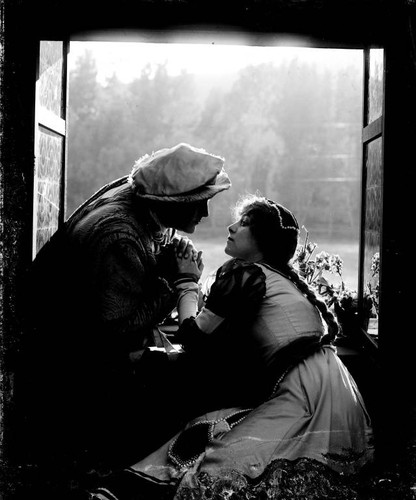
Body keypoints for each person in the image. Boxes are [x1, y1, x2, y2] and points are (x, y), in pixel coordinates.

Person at [88, 194, 374, 500]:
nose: (232, 226)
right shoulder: (273, 277)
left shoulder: (246, 274)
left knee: (217, 466)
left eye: (245, 222)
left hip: (306, 396)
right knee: (210, 431)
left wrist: (186, 281)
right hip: (336, 390)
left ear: (262, 238)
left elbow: (193, 337)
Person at [14, 143, 231, 475]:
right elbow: (112, 332)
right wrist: (178, 280)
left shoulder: (142, 202)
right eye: (198, 204)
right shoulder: (118, 236)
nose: (204, 214)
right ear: (169, 203)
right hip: (73, 370)